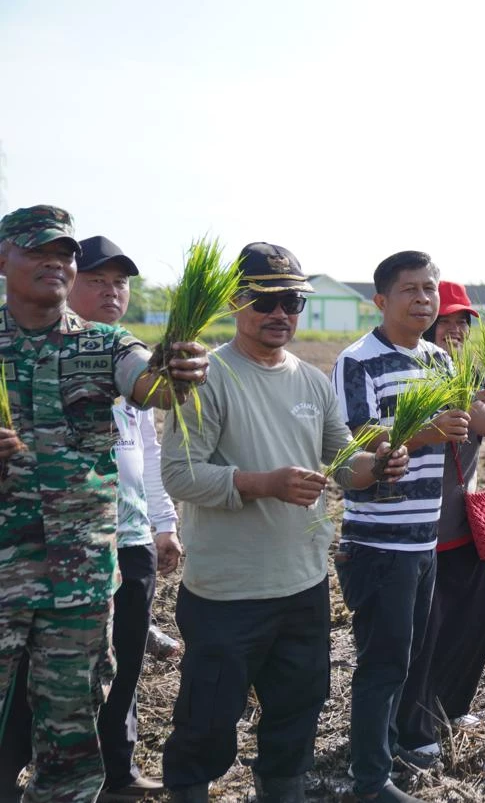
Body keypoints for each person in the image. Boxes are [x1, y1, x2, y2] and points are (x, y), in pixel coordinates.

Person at [159, 243, 408, 803]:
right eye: (264, 300)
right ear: (235, 302)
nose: (280, 314)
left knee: (297, 711)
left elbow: (346, 462)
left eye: (292, 301)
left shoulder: (312, 381)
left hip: (302, 585)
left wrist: (379, 464)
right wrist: (262, 483)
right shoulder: (207, 376)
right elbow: (180, 475)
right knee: (206, 719)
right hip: (226, 591)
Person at [0, 206, 208, 803]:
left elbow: (149, 382)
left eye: (64, 254)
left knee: (72, 731)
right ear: (5, 259)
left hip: (80, 582)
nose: (56, 263)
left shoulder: (105, 343)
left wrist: (178, 371)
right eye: (39, 251)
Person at [331, 255, 485, 803]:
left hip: (423, 542)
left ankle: (389, 748)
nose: (423, 299)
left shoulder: (439, 358)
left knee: (409, 656)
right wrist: (422, 433)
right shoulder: (358, 361)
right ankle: (369, 780)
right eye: (410, 290)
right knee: (384, 661)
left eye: (430, 289)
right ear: (381, 300)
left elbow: (467, 417)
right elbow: (352, 443)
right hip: (378, 543)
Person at [395, 282, 485, 760]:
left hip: (464, 520)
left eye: (463, 322)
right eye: (449, 320)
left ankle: (450, 707)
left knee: (481, 613)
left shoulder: (470, 374)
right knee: (426, 630)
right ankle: (412, 728)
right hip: (421, 526)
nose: (456, 329)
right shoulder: (409, 372)